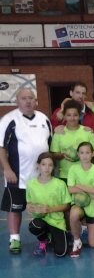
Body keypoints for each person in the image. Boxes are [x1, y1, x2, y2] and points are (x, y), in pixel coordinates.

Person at [0, 88, 52, 254]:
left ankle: (45, 236)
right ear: (17, 101)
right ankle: (14, 239)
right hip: (18, 176)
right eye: (24, 98)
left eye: (31, 98)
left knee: (43, 207)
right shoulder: (9, 120)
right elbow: (1, 147)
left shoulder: (44, 119)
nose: (28, 101)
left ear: (35, 100)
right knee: (15, 208)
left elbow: (50, 144)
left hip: (41, 177)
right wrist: (7, 169)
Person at [26, 152, 71, 257]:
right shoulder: (31, 184)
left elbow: (67, 205)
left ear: (54, 167)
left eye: (50, 165)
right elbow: (29, 203)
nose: (47, 168)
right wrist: (29, 207)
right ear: (38, 166)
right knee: (34, 226)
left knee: (61, 253)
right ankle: (43, 240)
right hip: (41, 220)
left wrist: (49, 209)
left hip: (56, 221)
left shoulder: (60, 184)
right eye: (43, 164)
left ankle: (56, 236)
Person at [67, 142, 94, 257]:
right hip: (79, 204)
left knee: (93, 244)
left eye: (87, 152)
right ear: (78, 154)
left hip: (93, 206)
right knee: (73, 214)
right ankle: (76, 240)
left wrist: (79, 186)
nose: (84, 155)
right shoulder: (73, 169)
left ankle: (84, 228)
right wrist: (88, 190)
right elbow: (70, 189)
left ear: (92, 154)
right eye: (82, 152)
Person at [50, 100, 94, 182]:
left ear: (79, 115)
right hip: (65, 175)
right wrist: (64, 154)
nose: (72, 118)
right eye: (69, 115)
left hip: (86, 175)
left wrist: (84, 154)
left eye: (75, 115)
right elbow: (54, 154)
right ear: (64, 116)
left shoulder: (87, 132)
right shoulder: (59, 133)